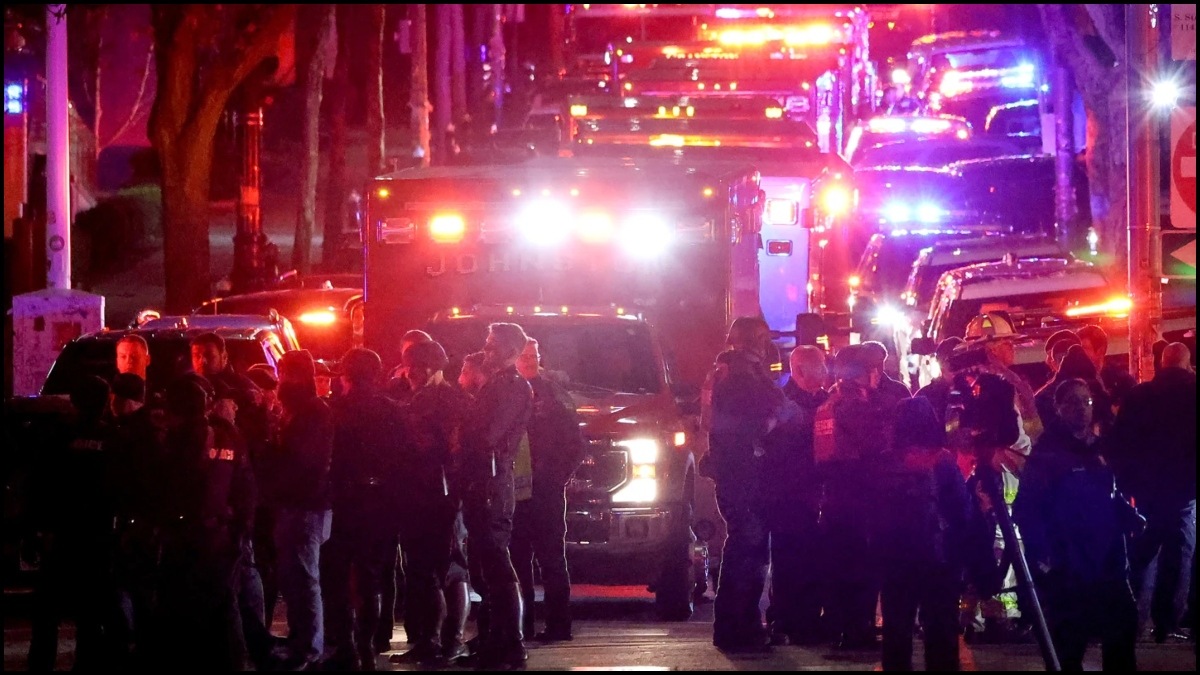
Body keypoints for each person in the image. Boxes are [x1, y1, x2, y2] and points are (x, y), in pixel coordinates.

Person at [1014, 379, 1141, 671]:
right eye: (1073, 402)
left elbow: (1108, 494)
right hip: (1070, 570)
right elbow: (1027, 510)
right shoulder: (1047, 456)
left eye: (1087, 401)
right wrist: (1046, 559)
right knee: (1068, 649)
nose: (1082, 408)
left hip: (1109, 565)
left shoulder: (1098, 450)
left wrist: (1129, 515)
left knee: (1122, 634)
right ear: (1058, 407)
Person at [152, 377, 256, 670]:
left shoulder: (177, 439)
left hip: (186, 538)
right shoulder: (229, 434)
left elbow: (167, 487)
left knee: (182, 612)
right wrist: (241, 528)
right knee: (224, 608)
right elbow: (246, 484)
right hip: (222, 537)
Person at [707, 317, 793, 652]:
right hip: (740, 475)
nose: (766, 345)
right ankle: (736, 629)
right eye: (762, 338)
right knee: (746, 550)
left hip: (743, 475)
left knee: (751, 551)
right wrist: (775, 418)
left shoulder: (739, 372)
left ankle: (744, 626)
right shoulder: (738, 376)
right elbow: (750, 423)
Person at [323, 348, 408, 671]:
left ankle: (346, 645)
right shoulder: (391, 410)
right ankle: (367, 646)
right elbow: (403, 458)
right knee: (371, 576)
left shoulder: (335, 410)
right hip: (381, 501)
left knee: (337, 575)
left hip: (344, 500)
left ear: (345, 374)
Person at [877, 397, 975, 671]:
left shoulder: (885, 462)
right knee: (941, 631)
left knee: (896, 630)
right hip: (939, 558)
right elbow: (961, 511)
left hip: (895, 558)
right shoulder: (942, 461)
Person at [392, 340, 474, 664]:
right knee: (431, 569)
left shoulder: (439, 400)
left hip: (438, 494)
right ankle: (435, 640)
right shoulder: (448, 398)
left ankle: (447, 640)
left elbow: (446, 449)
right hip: (427, 493)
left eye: (413, 366)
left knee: (446, 569)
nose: (408, 373)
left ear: (428, 367)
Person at [27, 376, 117, 672]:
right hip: (98, 535)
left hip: (62, 534)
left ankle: (41, 664)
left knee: (47, 613)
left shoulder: (57, 435)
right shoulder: (113, 438)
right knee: (90, 612)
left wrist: (35, 529)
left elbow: (40, 484)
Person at [1110, 342, 1196, 645]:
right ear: (1187, 364)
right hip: (1184, 489)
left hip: (1145, 491)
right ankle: (1166, 623)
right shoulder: (1192, 392)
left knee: (1140, 555)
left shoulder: (1139, 396)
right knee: (1178, 556)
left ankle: (1131, 619)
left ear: (1161, 363)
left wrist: (1126, 484)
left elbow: (1120, 441)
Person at [461, 323, 534, 669]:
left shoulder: (510, 387)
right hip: (486, 481)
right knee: (489, 566)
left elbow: (488, 434)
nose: (486, 350)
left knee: (497, 564)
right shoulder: (501, 385)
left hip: (492, 482)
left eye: (492, 345)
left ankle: (511, 643)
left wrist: (463, 430)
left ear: (509, 350)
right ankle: (495, 641)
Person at [260, 349, 335, 671]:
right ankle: (301, 640)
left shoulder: (311, 411)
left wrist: (274, 455)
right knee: (294, 578)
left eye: (286, 373)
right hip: (296, 504)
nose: (281, 379)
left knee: (303, 578)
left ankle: (308, 647)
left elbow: (304, 462)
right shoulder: (298, 410)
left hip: (305, 506)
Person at [511, 338, 586, 643]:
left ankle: (559, 625)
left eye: (534, 355)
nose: (529, 360)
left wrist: (556, 478)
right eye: (524, 355)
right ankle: (522, 625)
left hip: (544, 493)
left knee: (552, 560)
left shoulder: (554, 394)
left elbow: (576, 444)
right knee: (516, 561)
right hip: (514, 492)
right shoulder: (507, 391)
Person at [814, 345, 889, 650]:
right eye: (873, 369)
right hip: (860, 496)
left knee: (838, 566)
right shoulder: (857, 406)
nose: (878, 374)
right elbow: (876, 447)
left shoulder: (828, 404)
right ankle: (859, 630)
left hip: (833, 497)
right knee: (862, 567)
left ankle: (838, 627)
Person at [763, 345, 829, 645]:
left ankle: (810, 619)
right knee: (789, 559)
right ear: (800, 370)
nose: (825, 371)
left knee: (815, 558)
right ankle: (785, 619)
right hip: (790, 494)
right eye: (819, 365)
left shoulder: (826, 400)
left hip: (818, 493)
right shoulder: (782, 403)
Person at [106, 373, 166, 669]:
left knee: (131, 587)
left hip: (136, 523)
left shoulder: (130, 434)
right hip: (147, 522)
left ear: (120, 399)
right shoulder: (153, 429)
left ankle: (136, 647)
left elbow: (129, 482)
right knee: (142, 589)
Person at [381, 328, 435, 651]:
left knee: (423, 566)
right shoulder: (393, 386)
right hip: (395, 488)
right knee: (390, 562)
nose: (411, 365)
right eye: (408, 357)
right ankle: (385, 630)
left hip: (425, 491)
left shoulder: (437, 394)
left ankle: (423, 635)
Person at [916, 336, 964, 427]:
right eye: (952, 359)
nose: (959, 364)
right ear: (941, 363)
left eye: (963, 359)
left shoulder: (976, 389)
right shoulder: (926, 396)